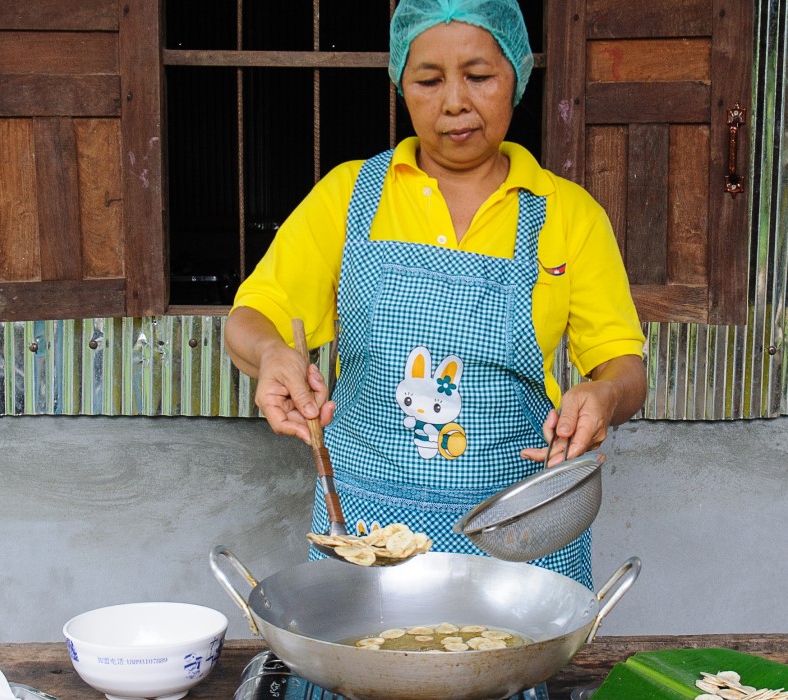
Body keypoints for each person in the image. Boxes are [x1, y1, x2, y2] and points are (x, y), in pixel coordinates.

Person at [224, 2, 644, 692]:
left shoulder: (566, 214)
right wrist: (271, 354)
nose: (455, 103)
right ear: (398, 83)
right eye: (428, 80)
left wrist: (602, 394)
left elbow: (624, 363)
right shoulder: (350, 196)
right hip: (367, 536)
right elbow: (252, 314)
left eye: (479, 75)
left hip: (515, 541)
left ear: (517, 76)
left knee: (504, 671)